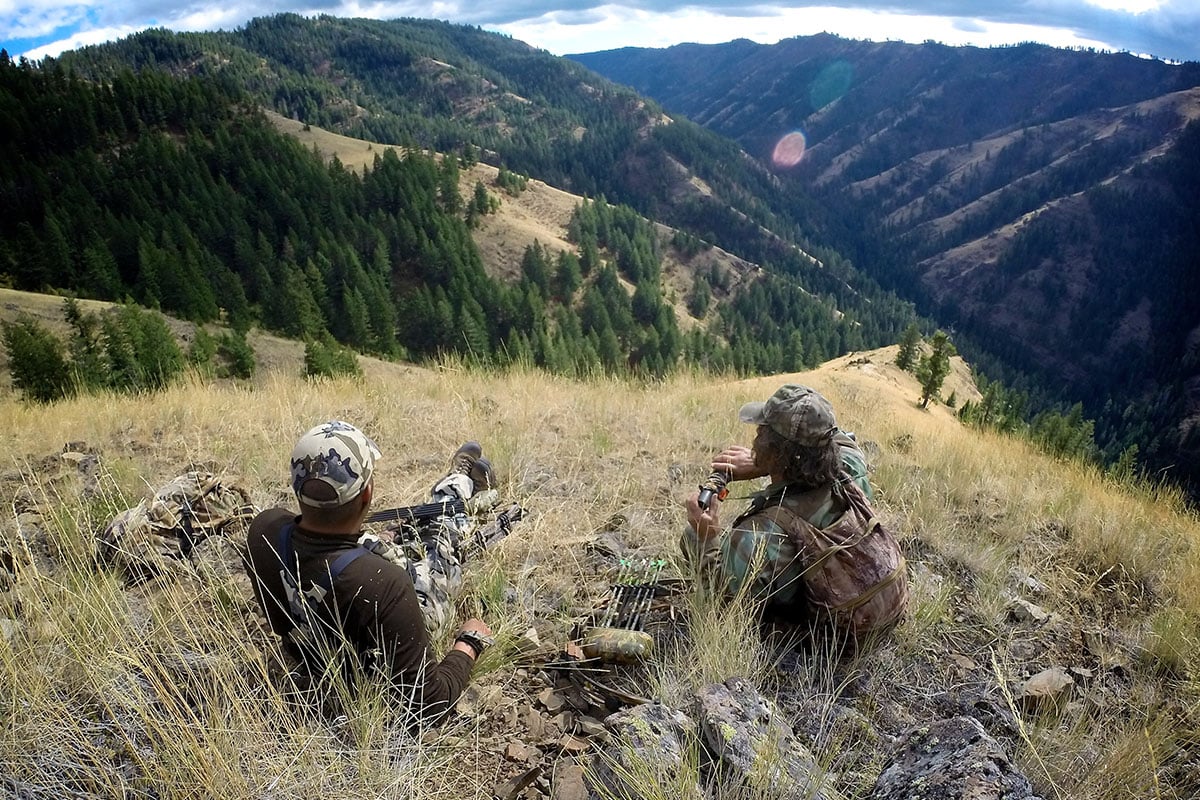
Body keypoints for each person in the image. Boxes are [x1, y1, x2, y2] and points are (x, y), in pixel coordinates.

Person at [243, 420, 497, 722]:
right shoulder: (386, 583)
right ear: (367, 495)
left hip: (316, 647)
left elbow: (310, 539)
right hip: (389, 634)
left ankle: (460, 481)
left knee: (410, 534)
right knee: (441, 539)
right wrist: (468, 643)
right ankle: (459, 484)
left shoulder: (264, 530)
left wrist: (359, 539)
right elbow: (430, 702)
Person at [682, 384, 908, 641]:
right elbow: (841, 439)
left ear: (776, 453)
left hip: (828, 641)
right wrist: (765, 465)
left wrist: (706, 537)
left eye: (761, 432)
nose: (756, 436)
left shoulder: (760, 536)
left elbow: (723, 608)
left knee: (692, 535)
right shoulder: (851, 467)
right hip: (877, 604)